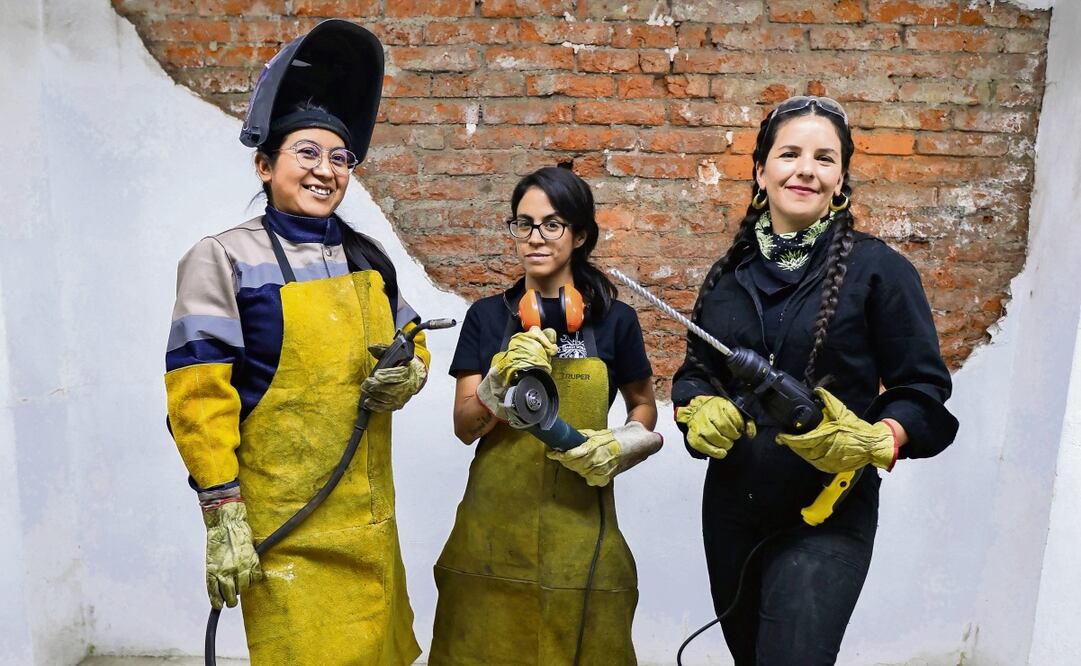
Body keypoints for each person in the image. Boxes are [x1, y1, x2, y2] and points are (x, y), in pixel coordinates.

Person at [164, 20, 427, 664]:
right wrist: (222, 513)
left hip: (370, 527)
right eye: (307, 152)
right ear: (265, 162)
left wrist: (409, 374)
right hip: (287, 530)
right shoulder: (221, 258)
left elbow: (413, 340)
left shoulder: (369, 261)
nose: (326, 170)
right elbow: (198, 396)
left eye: (340, 158)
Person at [671, 96, 959, 665]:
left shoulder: (880, 271)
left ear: (840, 179)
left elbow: (924, 392)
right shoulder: (728, 274)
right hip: (732, 510)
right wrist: (698, 409)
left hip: (829, 513)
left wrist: (883, 438)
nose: (806, 169)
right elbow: (694, 374)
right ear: (761, 171)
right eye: (790, 154)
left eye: (824, 158)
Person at [430, 166, 662, 665]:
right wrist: (495, 389)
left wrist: (621, 446)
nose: (535, 238)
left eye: (552, 225)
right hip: (491, 539)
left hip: (583, 536)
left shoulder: (616, 322)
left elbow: (644, 407)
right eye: (524, 224)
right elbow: (464, 428)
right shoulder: (488, 317)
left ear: (579, 235)